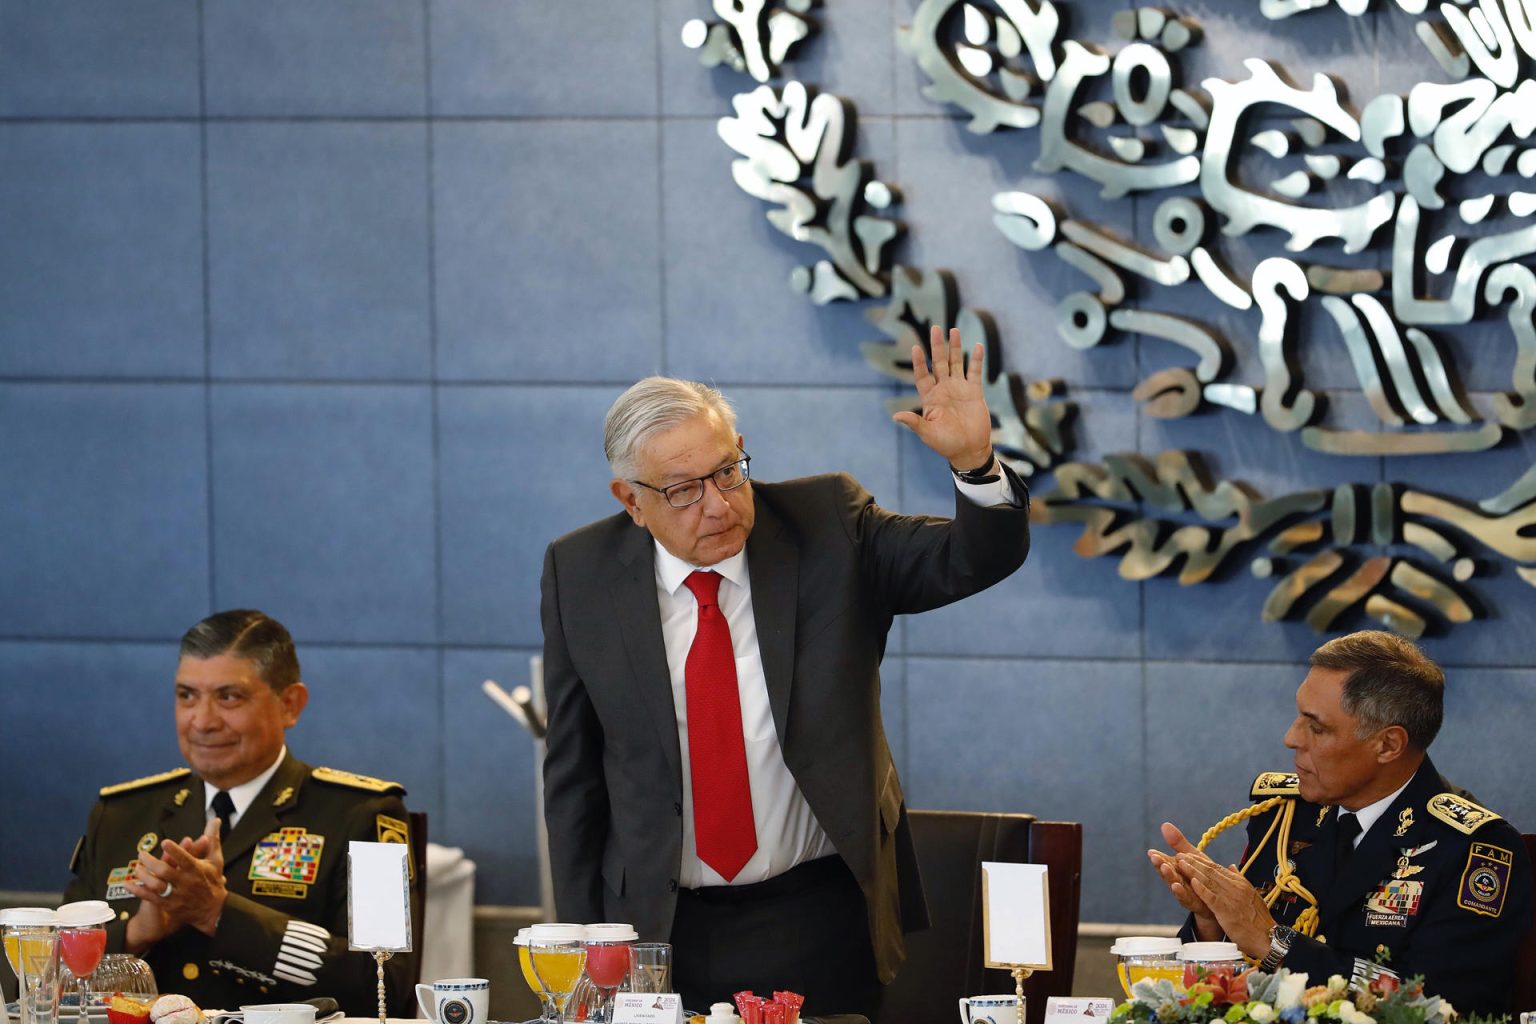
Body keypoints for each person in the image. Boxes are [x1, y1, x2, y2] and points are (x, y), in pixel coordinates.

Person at [540, 326, 1031, 1016]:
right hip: (654, 927)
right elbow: (573, 776)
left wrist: (976, 465)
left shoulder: (828, 525)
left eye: (728, 470)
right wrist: (582, 943)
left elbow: (969, 561)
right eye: (683, 490)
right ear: (631, 501)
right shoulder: (580, 573)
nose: (718, 503)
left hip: (813, 913)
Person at [1148, 630, 1531, 1014]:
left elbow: (1436, 1006)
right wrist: (1212, 919)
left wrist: (1274, 942)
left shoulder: (1472, 849)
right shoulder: (1282, 818)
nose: (1290, 738)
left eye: (1317, 727)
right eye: (1298, 716)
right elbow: (1215, 996)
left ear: (1388, 745)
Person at [64, 610, 419, 1014]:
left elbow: (385, 983)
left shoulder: (363, 813)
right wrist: (135, 933)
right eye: (186, 696)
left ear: (290, 704)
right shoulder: (121, 815)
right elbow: (43, 979)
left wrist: (218, 912)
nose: (202, 721)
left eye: (228, 697)